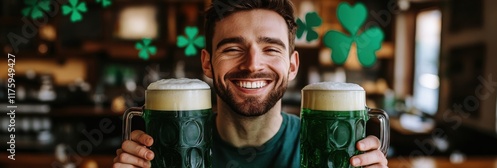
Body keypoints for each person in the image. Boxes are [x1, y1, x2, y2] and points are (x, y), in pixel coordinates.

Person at [113, 0, 388, 167]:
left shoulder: (332, 145)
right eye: (232, 48)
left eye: (271, 49)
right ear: (207, 63)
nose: (253, 64)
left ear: (292, 65)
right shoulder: (166, 145)